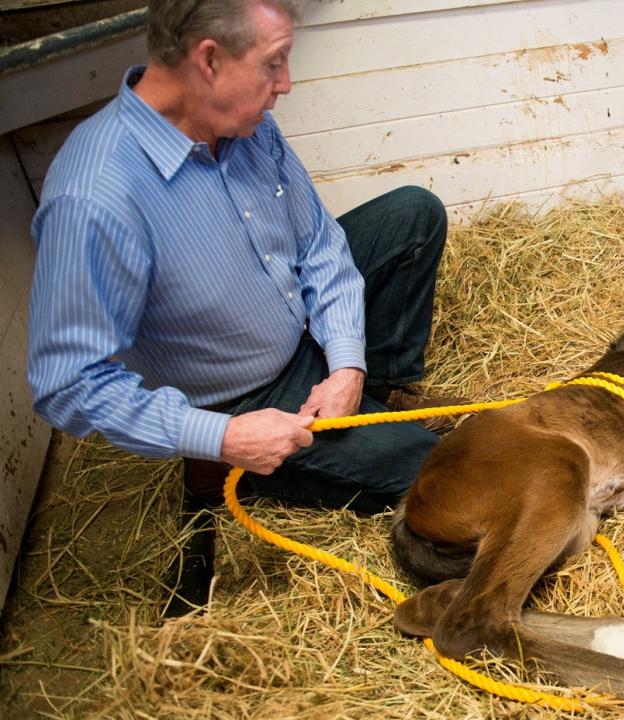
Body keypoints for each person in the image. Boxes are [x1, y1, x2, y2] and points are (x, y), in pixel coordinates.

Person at [27, 0, 458, 610]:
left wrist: (346, 365)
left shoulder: (243, 124)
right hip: (243, 398)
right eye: (274, 63)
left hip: (300, 333)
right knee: (441, 473)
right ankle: (253, 470)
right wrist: (224, 437)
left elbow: (318, 245)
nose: (285, 83)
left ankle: (374, 393)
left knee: (413, 215)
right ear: (209, 60)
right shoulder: (97, 198)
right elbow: (65, 386)